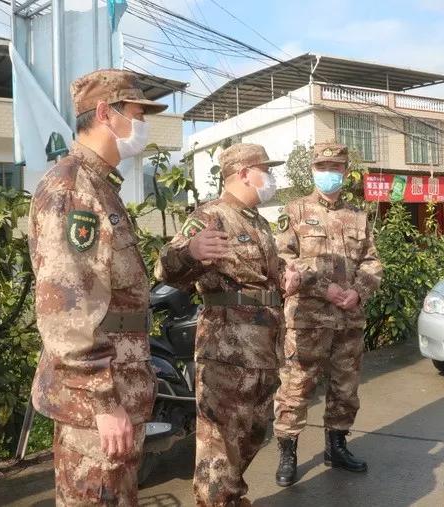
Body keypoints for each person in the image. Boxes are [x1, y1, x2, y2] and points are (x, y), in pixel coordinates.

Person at [28, 68, 166, 506]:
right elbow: (67, 308)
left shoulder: (99, 186)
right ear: (106, 113)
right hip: (97, 402)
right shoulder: (73, 189)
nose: (143, 125)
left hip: (118, 387)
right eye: (138, 113)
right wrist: (104, 402)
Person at [154, 143, 300, 507]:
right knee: (220, 442)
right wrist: (190, 252)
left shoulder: (258, 222)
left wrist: (286, 274)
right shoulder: (210, 216)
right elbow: (165, 269)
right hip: (227, 350)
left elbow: (264, 272)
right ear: (243, 173)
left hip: (264, 347)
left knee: (253, 432)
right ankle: (219, 501)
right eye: (266, 170)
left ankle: (228, 495)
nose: (271, 177)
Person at [272, 142, 383, 487]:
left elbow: (372, 260)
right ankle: (288, 452)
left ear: (345, 172)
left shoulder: (359, 216)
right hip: (307, 321)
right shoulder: (294, 211)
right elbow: (282, 259)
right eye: (323, 167)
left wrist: (358, 291)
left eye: (335, 167)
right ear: (313, 170)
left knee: (345, 388)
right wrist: (324, 289)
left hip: (348, 321)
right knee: (296, 388)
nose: (329, 173)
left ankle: (337, 446)